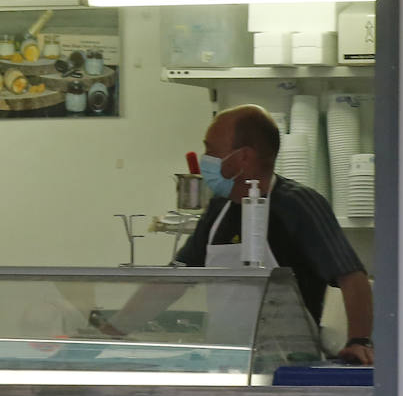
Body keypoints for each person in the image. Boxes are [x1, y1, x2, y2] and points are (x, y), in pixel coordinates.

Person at [105, 105, 374, 365]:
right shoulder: (219, 208)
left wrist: (359, 341)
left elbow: (353, 277)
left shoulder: (297, 205)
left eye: (210, 150)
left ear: (243, 157)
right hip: (226, 365)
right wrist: (109, 334)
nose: (204, 158)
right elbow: (172, 282)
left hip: (289, 368)